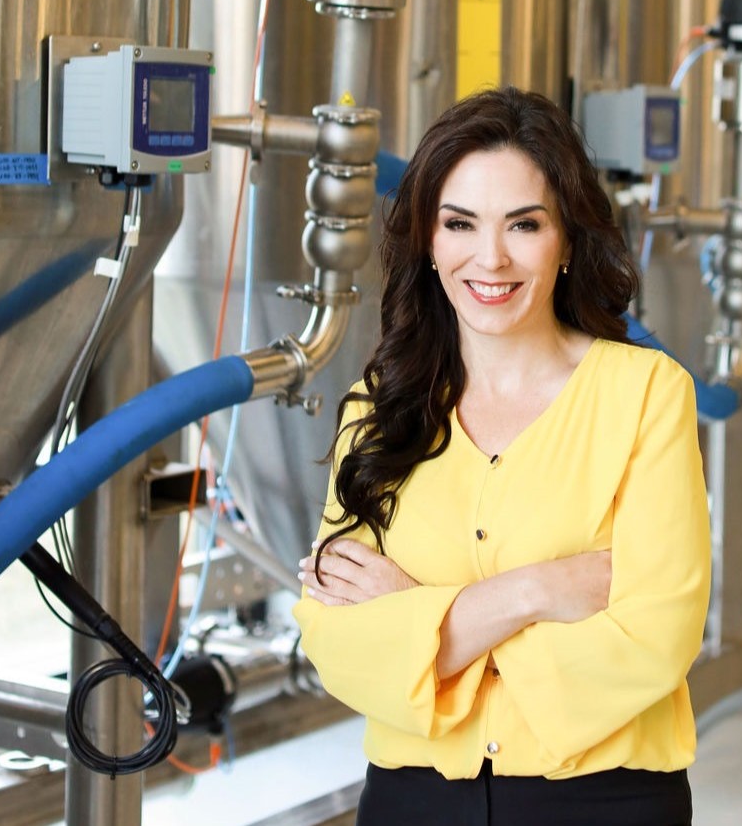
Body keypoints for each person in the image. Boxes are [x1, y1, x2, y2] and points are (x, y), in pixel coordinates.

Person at [293, 86, 711, 826]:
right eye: (460, 223)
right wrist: (535, 593)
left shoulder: (646, 393)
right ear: (427, 240)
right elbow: (334, 638)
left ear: (569, 240)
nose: (491, 258)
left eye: (524, 224)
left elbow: (656, 636)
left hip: (603, 801)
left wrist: (417, 621)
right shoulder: (381, 404)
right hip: (411, 800)